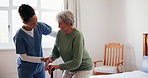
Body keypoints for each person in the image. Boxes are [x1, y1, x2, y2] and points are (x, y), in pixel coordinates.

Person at [44, 10, 93, 78]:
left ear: (68, 23)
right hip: (70, 67)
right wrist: (50, 58)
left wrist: (57, 66)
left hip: (83, 68)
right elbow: (55, 51)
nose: (58, 26)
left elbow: (76, 62)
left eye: (60, 23)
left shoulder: (77, 35)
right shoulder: (60, 33)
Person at [13, 4, 56, 78]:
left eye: (36, 21)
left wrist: (66, 35)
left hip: (39, 67)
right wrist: (42, 59)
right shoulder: (19, 35)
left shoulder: (39, 26)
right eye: (33, 23)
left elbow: (53, 33)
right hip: (26, 68)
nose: (36, 24)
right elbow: (23, 57)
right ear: (25, 23)